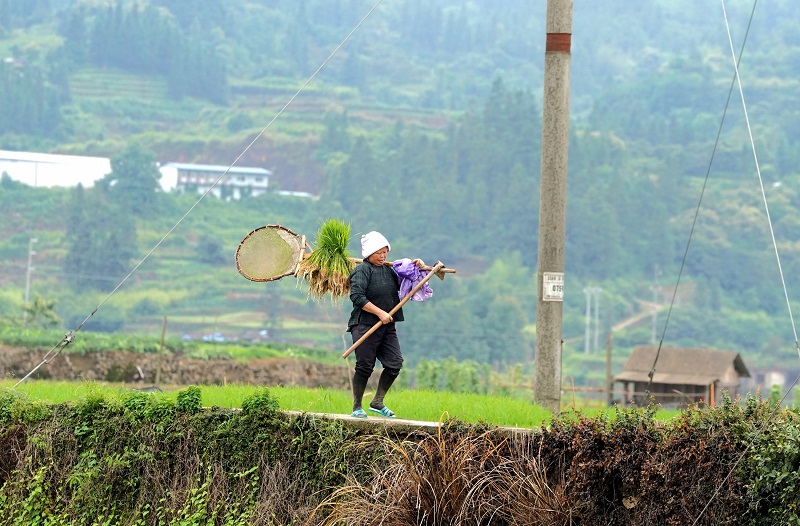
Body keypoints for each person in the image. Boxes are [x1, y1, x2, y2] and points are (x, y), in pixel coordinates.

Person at [347, 231, 424, 419]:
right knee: (365, 366)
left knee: (394, 363)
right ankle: (357, 406)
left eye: (385, 252)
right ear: (369, 253)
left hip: (387, 326)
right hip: (364, 325)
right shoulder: (361, 271)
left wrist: (417, 266)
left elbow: (407, 282)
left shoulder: (388, 270)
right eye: (379, 253)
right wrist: (380, 312)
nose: (383, 256)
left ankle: (377, 401)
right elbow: (357, 296)